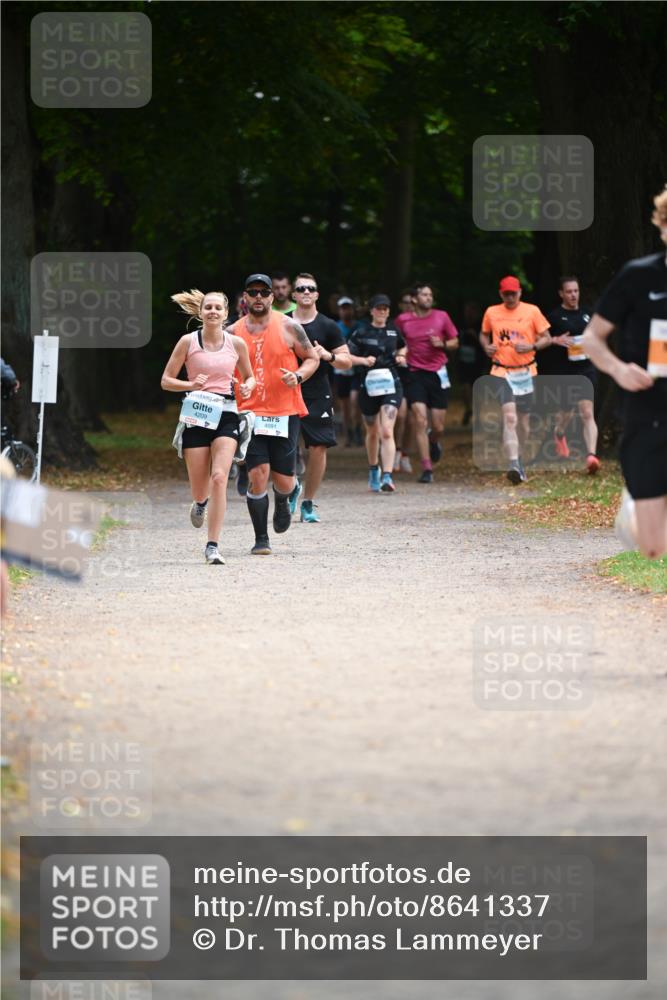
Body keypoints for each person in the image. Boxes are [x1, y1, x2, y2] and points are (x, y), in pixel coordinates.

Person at [581, 186, 667, 559]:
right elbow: (592, 339)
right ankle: (635, 504)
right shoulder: (638, 277)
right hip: (647, 411)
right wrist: (619, 369)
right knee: (653, 549)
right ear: (663, 227)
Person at [161, 290, 256, 565]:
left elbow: (250, 378)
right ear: (200, 313)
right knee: (200, 488)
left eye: (218, 308)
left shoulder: (236, 344)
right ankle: (200, 503)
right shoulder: (187, 342)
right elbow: (166, 380)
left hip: (226, 412)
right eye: (208, 307)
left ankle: (212, 545)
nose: (213, 311)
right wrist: (190, 385)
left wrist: (247, 386)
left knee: (219, 478)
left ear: (226, 314)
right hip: (197, 413)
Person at [228, 273, 318, 554]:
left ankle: (283, 499)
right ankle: (261, 539)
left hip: (284, 412)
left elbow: (312, 358)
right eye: (252, 292)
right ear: (245, 297)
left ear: (271, 296)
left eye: (263, 292)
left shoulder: (289, 326)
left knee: (283, 479)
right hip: (249, 412)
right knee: (258, 474)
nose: (257, 297)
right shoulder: (231, 333)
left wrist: (298, 376)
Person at [288, 274, 352, 522]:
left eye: (310, 288)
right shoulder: (281, 323)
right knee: (284, 447)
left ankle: (308, 503)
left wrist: (329, 356)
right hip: (286, 391)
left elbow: (346, 361)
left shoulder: (328, 326)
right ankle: (291, 486)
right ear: (293, 295)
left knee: (318, 447)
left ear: (316, 295)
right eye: (300, 288)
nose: (305, 292)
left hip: (317, 392)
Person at [480, 276, 551, 484]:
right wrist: (486, 346)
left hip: (526, 371)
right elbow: (484, 334)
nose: (510, 297)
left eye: (513, 293)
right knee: (509, 417)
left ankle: (519, 459)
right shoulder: (492, 312)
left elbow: (547, 337)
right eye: (506, 294)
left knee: (524, 423)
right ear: (500, 294)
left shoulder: (532, 311)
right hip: (502, 372)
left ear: (520, 292)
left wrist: (532, 347)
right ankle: (512, 463)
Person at [395, 284, 459, 483]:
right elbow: (396, 342)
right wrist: (400, 354)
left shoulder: (442, 316)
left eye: (430, 294)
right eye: (424, 294)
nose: (428, 297)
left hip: (437, 373)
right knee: (421, 420)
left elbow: (455, 341)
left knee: (438, 426)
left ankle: (434, 440)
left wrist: (443, 344)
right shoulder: (403, 320)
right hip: (414, 374)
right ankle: (426, 468)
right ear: (414, 299)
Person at [346, 294, 407, 493]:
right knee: (372, 430)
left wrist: (401, 356)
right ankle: (374, 468)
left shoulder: (393, 330)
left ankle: (387, 476)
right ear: (371, 310)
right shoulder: (361, 331)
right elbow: (345, 355)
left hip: (391, 383)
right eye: (379, 308)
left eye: (386, 308)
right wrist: (363, 361)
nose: (382, 311)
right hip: (369, 385)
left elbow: (403, 346)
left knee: (387, 430)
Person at [542, 276, 600, 473]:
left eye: (576, 291)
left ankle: (591, 456)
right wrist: (555, 340)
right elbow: (542, 339)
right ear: (561, 294)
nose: (573, 295)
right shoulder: (554, 317)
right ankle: (559, 433)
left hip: (586, 369)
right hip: (565, 371)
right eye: (569, 291)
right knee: (566, 413)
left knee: (586, 413)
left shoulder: (587, 314)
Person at [333, 296, 363, 447]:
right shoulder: (335, 327)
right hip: (340, 371)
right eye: (343, 308)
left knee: (355, 401)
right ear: (339, 310)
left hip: (357, 370)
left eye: (348, 308)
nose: (346, 311)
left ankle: (358, 429)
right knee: (344, 405)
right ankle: (349, 433)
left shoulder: (359, 326)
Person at [456, 302, 488, 425]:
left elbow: (486, 343)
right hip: (463, 361)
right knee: (464, 388)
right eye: (466, 311)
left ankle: (478, 414)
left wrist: (475, 336)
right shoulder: (461, 324)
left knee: (477, 389)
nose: (468, 313)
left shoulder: (481, 324)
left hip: (477, 362)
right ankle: (468, 409)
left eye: (471, 311)